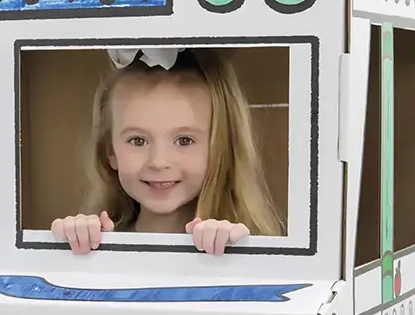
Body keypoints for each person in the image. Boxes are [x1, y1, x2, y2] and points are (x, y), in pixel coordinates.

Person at [51, 47, 282, 255]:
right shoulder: (99, 243)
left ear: (220, 147)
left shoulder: (241, 245)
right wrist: (73, 245)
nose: (159, 162)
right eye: (138, 140)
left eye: (184, 140)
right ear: (110, 152)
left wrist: (233, 251)